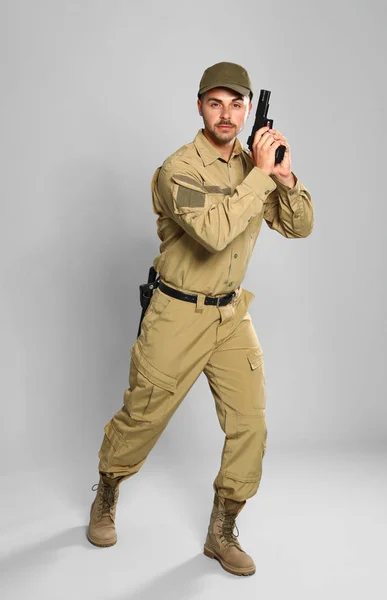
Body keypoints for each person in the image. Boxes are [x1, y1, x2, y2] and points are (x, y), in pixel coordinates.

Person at [87, 62, 314, 577]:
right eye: (216, 103)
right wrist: (260, 175)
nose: (227, 114)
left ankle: (222, 529)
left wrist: (284, 175)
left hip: (231, 314)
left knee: (251, 426)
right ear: (199, 107)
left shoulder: (253, 165)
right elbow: (213, 233)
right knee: (142, 419)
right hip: (178, 312)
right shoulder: (177, 170)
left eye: (237, 104)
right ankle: (107, 488)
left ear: (249, 109)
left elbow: (300, 226)